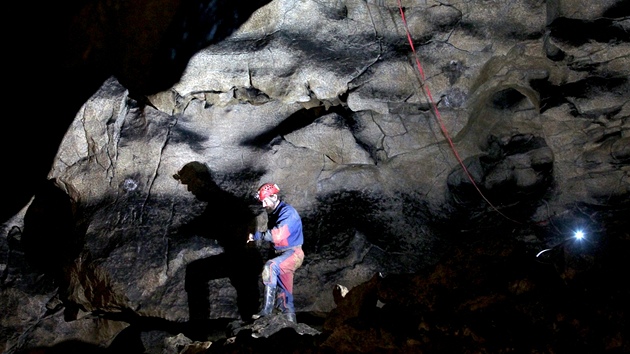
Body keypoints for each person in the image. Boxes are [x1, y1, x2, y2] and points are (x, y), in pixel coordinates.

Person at [248, 183, 304, 323]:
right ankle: (291, 326)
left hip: (293, 253)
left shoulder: (288, 212)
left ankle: (266, 311)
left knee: (270, 266)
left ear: (274, 196)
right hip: (281, 254)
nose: (264, 204)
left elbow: (278, 236)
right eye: (262, 201)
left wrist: (256, 236)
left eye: (266, 200)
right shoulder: (274, 212)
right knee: (284, 293)